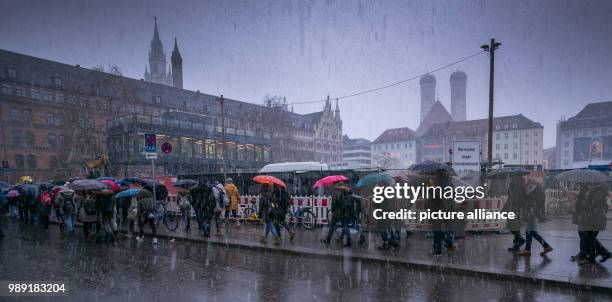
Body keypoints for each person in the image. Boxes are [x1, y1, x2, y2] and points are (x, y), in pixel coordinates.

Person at [573, 182, 610, 263]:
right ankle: (602, 253)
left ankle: (589, 255)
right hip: (588, 218)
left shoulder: (596, 192)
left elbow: (596, 205)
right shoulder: (587, 190)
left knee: (588, 237)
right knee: (588, 237)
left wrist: (586, 205)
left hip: (595, 219)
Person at [516, 177, 553, 256]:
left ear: (533, 184)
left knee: (530, 231)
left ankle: (532, 249)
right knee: (531, 232)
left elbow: (536, 204)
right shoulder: (534, 190)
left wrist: (532, 212)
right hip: (531, 214)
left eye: (529, 185)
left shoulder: (537, 192)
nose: (528, 186)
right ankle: (543, 247)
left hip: (533, 214)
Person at [427, 171, 455, 256]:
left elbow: (436, 196)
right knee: (446, 228)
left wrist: (431, 188)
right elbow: (453, 195)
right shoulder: (449, 183)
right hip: (448, 210)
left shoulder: (435, 183)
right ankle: (449, 243)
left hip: (438, 209)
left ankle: (437, 250)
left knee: (437, 230)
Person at [322, 182, 352, 247]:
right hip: (344, 212)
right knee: (345, 227)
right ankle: (349, 240)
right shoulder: (346, 192)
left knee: (332, 226)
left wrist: (333, 210)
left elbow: (334, 204)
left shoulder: (336, 193)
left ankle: (328, 239)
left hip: (337, 213)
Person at [504, 175, 527, 252]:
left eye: (514, 177)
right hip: (511, 209)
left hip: (517, 209)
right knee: (510, 227)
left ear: (518, 178)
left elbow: (522, 199)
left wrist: (517, 202)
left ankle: (516, 245)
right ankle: (519, 241)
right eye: (512, 177)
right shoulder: (512, 186)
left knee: (515, 227)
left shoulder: (520, 187)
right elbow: (509, 198)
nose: (512, 178)